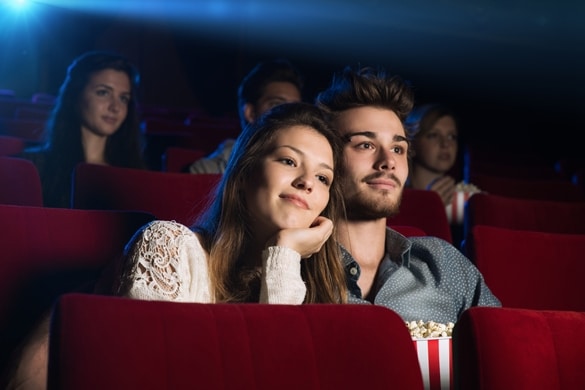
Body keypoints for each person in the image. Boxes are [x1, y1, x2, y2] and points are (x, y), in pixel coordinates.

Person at [5, 102, 348, 390]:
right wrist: (284, 256)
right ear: (243, 175)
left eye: (323, 178)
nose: (306, 183)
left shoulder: (318, 286)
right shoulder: (169, 244)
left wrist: (283, 258)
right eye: (288, 161)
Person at [315, 66, 501, 324]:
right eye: (365, 145)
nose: (388, 162)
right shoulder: (289, 270)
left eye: (397, 148)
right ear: (325, 160)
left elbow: (503, 350)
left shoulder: (445, 266)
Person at [23, 50, 147, 208]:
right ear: (75, 96)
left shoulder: (136, 174)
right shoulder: (35, 167)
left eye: (123, 98)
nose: (115, 107)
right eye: (103, 93)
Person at [188, 58, 304, 174]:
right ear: (250, 113)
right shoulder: (213, 168)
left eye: (294, 107)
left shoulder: (305, 165)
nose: (289, 113)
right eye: (276, 104)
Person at [404, 103, 481, 226]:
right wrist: (427, 207)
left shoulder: (468, 200)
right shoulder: (395, 197)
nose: (445, 144)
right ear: (411, 145)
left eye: (452, 136)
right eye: (433, 135)